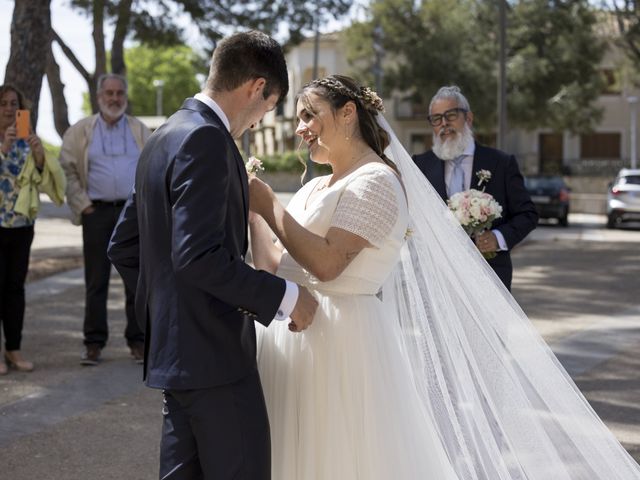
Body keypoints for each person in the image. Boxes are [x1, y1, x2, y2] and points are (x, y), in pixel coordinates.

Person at [249, 75, 640, 479]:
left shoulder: (377, 181)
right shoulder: (313, 187)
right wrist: (254, 214)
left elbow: (328, 264)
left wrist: (268, 204)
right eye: (298, 118)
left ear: (348, 113)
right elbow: (273, 267)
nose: (300, 129)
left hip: (341, 343)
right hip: (290, 339)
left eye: (309, 116)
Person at [107, 30, 318, 480]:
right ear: (256, 88)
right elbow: (198, 256)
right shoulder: (207, 139)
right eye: (269, 106)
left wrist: (167, 312)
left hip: (174, 360)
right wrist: (285, 296)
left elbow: (124, 245)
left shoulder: (163, 136)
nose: (262, 120)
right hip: (218, 361)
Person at [60, 73, 151, 366]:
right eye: (109, 93)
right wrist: (83, 205)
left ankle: (138, 341)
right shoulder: (81, 131)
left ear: (126, 97)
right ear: (99, 97)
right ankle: (93, 343)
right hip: (96, 212)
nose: (114, 99)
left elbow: (152, 167)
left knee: (135, 279)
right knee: (96, 280)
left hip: (132, 212)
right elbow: (68, 170)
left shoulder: (140, 130)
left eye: (119, 93)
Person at [412, 86, 538, 290]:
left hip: (489, 276)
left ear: (468, 118)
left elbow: (528, 214)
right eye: (436, 119)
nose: (444, 124)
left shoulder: (501, 163)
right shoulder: (420, 165)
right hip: (437, 280)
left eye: (450, 115)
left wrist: (498, 238)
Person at [0, 84, 65, 375]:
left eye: (14, 103)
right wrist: (4, 148)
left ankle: (13, 349)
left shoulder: (27, 140)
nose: (10, 109)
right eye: (3, 104)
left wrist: (39, 158)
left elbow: (40, 180)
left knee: (15, 289)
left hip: (22, 226)